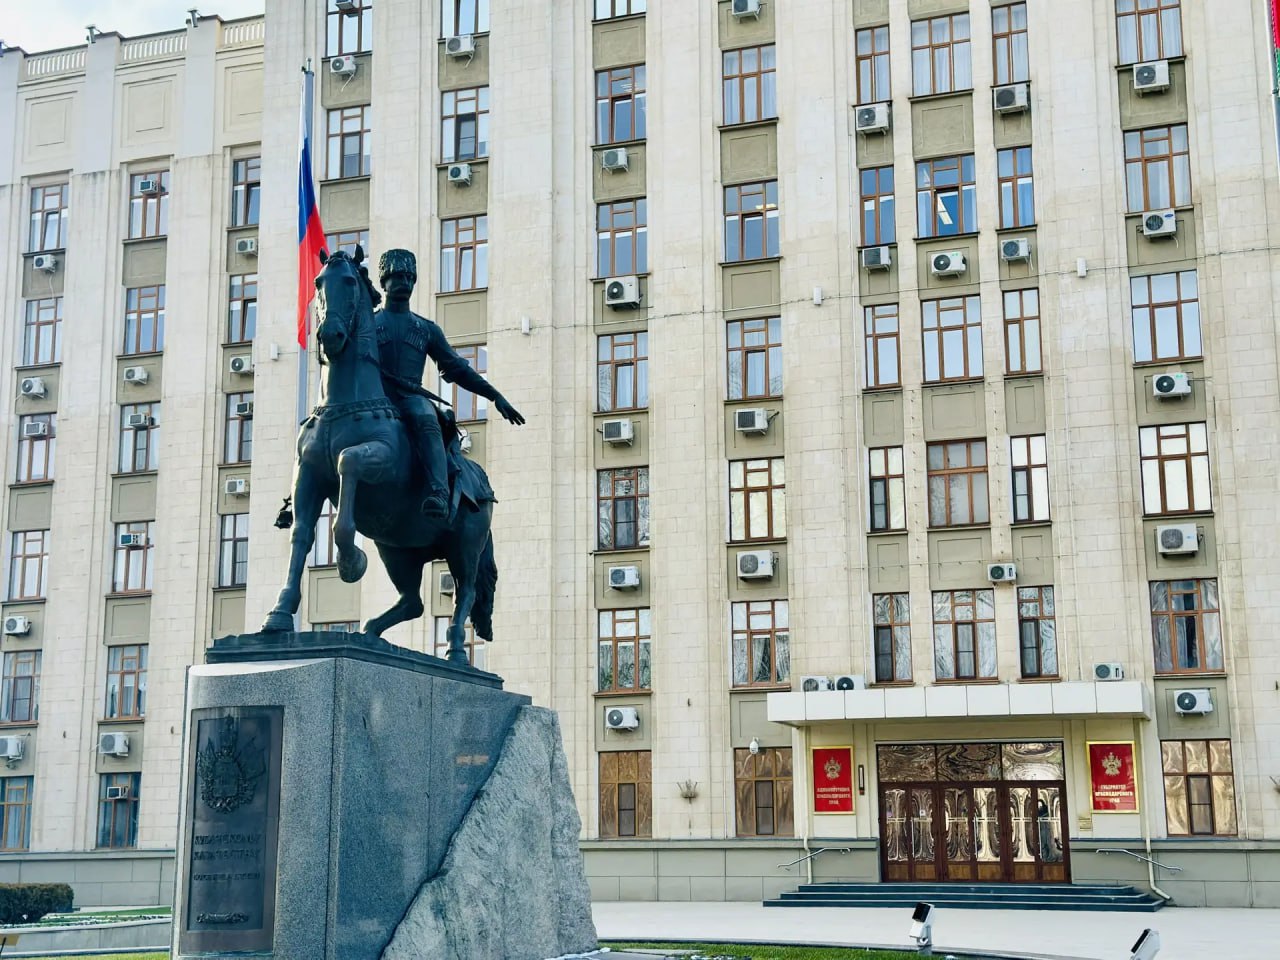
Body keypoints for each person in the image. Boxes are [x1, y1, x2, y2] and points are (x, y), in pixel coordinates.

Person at [373, 249, 524, 518]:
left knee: (426, 417)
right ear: (384, 281)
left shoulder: (425, 329)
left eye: (409, 277)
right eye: (398, 276)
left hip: (409, 398)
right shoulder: (368, 325)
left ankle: (439, 492)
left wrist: (494, 395)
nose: (405, 282)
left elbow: (457, 368)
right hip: (375, 398)